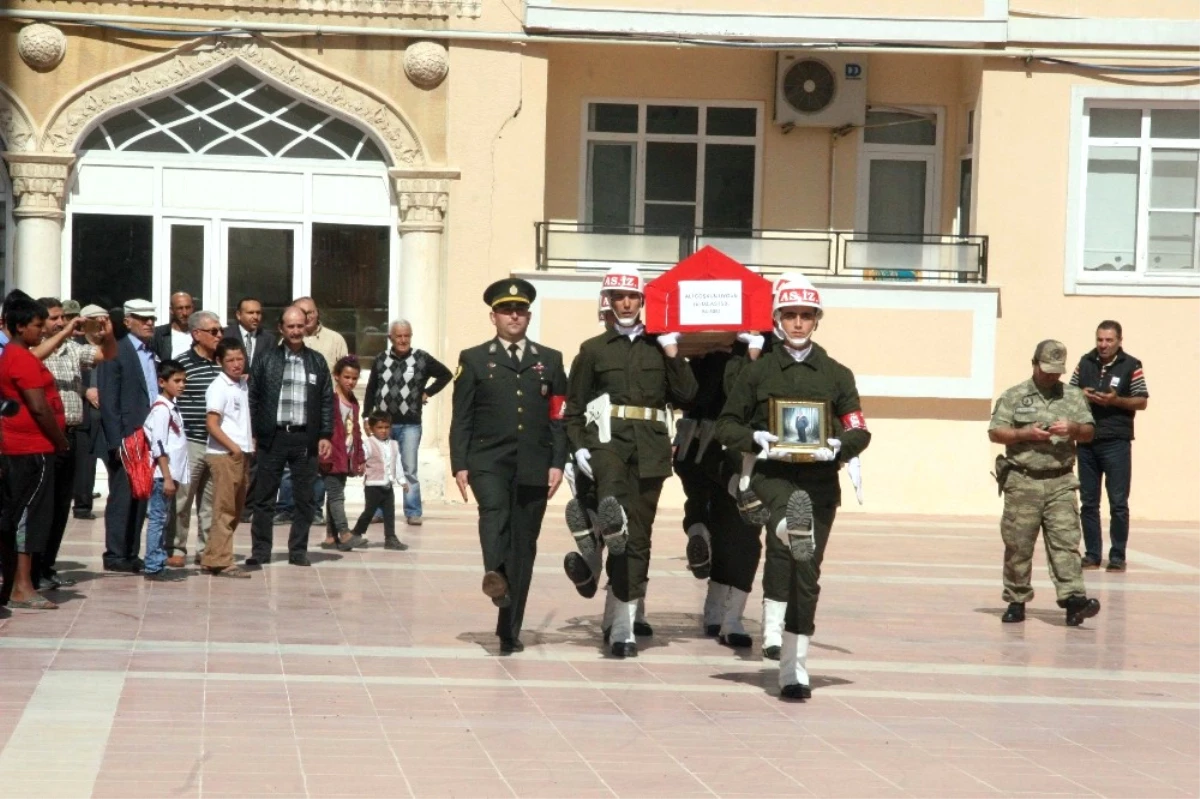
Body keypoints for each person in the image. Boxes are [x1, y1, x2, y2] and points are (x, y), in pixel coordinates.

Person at [716, 273, 871, 700]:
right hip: (774, 476)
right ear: (777, 318)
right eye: (790, 315)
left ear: (816, 320)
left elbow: (859, 428)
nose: (798, 323)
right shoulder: (757, 372)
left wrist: (838, 445)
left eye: (806, 315)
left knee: (808, 574)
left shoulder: (837, 374)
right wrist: (755, 439)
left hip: (820, 482)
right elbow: (726, 425)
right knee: (787, 528)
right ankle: (785, 527)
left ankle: (794, 666)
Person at [565, 265, 697, 659]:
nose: (625, 303)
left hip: (651, 448)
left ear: (643, 302)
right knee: (615, 518)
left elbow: (688, 395)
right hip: (606, 444)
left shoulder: (661, 345)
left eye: (633, 297)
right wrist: (579, 447)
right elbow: (574, 407)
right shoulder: (593, 349)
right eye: (618, 296)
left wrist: (674, 352)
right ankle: (619, 621)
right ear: (607, 301)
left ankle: (619, 617)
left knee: (637, 536)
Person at [450, 279, 568, 654]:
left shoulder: (549, 360)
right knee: (494, 512)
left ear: (529, 316)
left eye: (519, 310)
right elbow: (462, 417)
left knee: (523, 547)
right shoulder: (473, 358)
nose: (513, 315)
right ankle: (494, 574)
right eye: (505, 310)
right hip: (488, 460)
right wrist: (459, 464)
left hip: (534, 462)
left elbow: (558, 416)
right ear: (493, 317)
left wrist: (557, 462)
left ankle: (509, 626)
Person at [989, 339, 1102, 628]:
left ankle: (1074, 600)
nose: (1052, 376)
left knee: (1065, 542)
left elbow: (1089, 432)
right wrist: (1025, 433)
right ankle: (1016, 600)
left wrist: (1074, 428)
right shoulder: (1015, 395)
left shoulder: (1073, 396)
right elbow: (996, 433)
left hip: (1060, 480)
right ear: (1034, 364)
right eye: (1046, 369)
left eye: (1056, 371)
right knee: (1018, 544)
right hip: (1023, 480)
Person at [35, 297, 117, 589]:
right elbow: (34, 361)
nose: (61, 322)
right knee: (41, 508)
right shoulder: (33, 349)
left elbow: (104, 355)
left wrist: (108, 336)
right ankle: (31, 569)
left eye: (63, 318)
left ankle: (47, 566)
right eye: (55, 318)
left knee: (60, 507)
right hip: (44, 437)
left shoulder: (72, 349)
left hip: (71, 433)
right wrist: (65, 331)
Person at [247, 306, 333, 568]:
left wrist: (325, 434)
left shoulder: (317, 361)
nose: (296, 331)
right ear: (281, 329)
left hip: (304, 438)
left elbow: (327, 401)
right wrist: (252, 433)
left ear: (306, 327)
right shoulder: (265, 359)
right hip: (272, 438)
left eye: (300, 326)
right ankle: (261, 551)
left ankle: (298, 550)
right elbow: (252, 398)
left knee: (304, 498)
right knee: (264, 498)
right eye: (290, 326)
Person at [0, 292, 71, 610]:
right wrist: (60, 440)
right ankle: (22, 585)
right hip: (31, 449)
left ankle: (19, 582)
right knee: (28, 515)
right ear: (18, 327)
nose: (43, 330)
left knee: (23, 514)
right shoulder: (21, 360)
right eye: (37, 325)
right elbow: (39, 407)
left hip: (24, 447)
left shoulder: (18, 357)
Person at [1070, 321, 1149, 573]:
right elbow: (1068, 394)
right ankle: (1092, 554)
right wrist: (1081, 394)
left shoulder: (1131, 365)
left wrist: (1116, 401)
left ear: (1119, 340)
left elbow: (1141, 401)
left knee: (1118, 502)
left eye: (1109, 340)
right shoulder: (1084, 362)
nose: (1103, 345)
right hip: (1086, 439)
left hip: (1116, 441)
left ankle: (1117, 556)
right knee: (1088, 502)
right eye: (1100, 340)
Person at [363, 319, 453, 527]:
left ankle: (413, 511)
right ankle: (377, 511)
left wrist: (428, 392)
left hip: (411, 424)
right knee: (378, 467)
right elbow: (370, 389)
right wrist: (366, 418)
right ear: (390, 338)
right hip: (382, 424)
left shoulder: (421, 358)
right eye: (399, 336)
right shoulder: (380, 359)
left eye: (407, 336)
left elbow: (445, 374)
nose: (403, 340)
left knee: (409, 469)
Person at [97, 298, 160, 573]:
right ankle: (115, 554)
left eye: (152, 319)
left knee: (140, 494)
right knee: (122, 496)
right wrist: (117, 442)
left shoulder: (150, 352)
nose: (149, 323)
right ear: (127, 321)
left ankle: (131, 553)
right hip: (126, 437)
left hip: (149, 436)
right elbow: (109, 401)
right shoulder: (116, 351)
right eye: (142, 318)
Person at [172, 311, 224, 566]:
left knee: (211, 502)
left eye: (220, 330)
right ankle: (176, 548)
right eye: (213, 331)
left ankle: (205, 550)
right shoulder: (182, 364)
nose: (219, 335)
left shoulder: (223, 363)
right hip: (190, 440)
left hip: (217, 443)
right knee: (183, 497)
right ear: (196, 334)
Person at [202, 338, 254, 577]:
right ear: (219, 361)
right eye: (230, 360)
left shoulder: (241, 384)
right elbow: (212, 424)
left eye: (239, 358)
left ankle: (214, 557)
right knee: (224, 509)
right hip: (224, 455)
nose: (236, 364)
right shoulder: (218, 387)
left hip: (241, 453)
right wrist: (233, 448)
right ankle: (222, 561)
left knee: (235, 509)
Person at [143, 360, 189, 581]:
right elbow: (158, 445)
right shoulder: (161, 410)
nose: (181, 385)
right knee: (158, 519)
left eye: (184, 380)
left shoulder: (172, 407)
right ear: (162, 382)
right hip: (163, 475)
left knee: (163, 519)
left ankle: (158, 561)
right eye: (176, 381)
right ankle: (153, 565)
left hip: (170, 475)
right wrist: (167, 476)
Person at [319, 356, 366, 552]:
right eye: (346, 377)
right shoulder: (330, 399)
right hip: (331, 455)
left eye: (354, 378)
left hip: (346, 456)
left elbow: (356, 431)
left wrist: (360, 457)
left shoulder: (353, 402)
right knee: (336, 495)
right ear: (336, 376)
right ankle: (345, 534)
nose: (350, 382)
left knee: (334, 495)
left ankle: (331, 537)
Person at [72, 305, 110, 521]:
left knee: (113, 459)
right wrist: (86, 391)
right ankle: (82, 506)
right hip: (85, 413)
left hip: (107, 413)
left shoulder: (111, 348)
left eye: (102, 322)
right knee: (84, 463)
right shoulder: (75, 347)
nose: (99, 327)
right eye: (94, 322)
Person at [352, 411, 409, 551]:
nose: (383, 431)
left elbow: (397, 463)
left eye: (387, 427)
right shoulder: (368, 444)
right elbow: (361, 458)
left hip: (387, 486)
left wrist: (402, 480)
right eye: (379, 427)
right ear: (371, 428)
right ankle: (355, 534)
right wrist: (359, 467)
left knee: (390, 512)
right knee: (369, 512)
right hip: (373, 486)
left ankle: (390, 538)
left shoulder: (394, 444)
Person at [224, 297, 269, 368]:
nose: (255, 317)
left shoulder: (269, 339)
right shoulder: (225, 335)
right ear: (238, 315)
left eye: (258, 313)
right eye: (250, 313)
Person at [152, 292, 195, 361]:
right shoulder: (158, 334)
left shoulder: (200, 333)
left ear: (193, 308)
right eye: (180, 308)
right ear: (171, 310)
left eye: (188, 308)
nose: (185, 313)